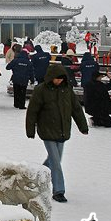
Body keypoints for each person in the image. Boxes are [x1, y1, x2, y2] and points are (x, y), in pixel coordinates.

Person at [26, 64, 89, 203]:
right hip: (47, 130)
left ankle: (36, 176)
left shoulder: (67, 90)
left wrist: (83, 126)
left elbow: (76, 109)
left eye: (61, 79)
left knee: (55, 160)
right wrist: (30, 129)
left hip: (62, 130)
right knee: (56, 161)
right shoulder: (41, 90)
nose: (59, 81)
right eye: (56, 79)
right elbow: (32, 111)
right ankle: (58, 191)